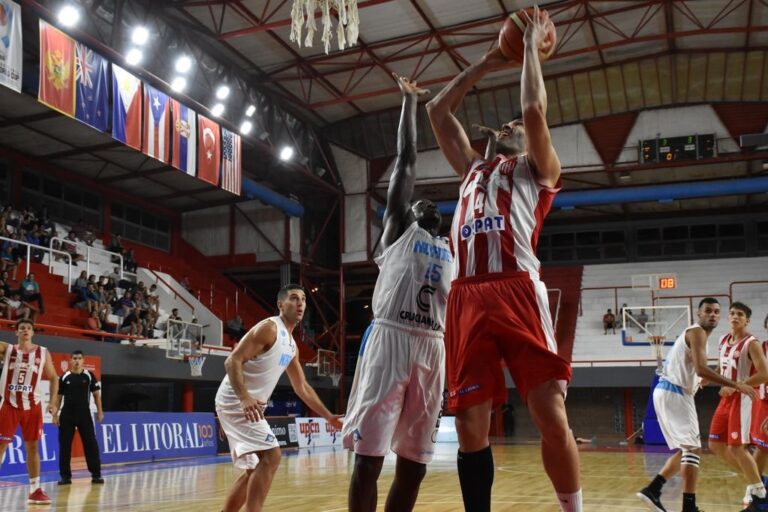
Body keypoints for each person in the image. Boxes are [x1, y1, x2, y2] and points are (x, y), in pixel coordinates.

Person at [426, 7, 581, 511]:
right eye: (507, 123)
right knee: (470, 426)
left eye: (516, 124)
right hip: (466, 296)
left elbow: (534, 112)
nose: (513, 122)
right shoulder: (471, 167)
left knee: (550, 415)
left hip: (516, 287)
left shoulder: (538, 169)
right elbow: (436, 111)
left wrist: (530, 50)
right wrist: (489, 60)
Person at [342, 74, 452, 512]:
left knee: (414, 465)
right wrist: (409, 102)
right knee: (367, 461)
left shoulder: (451, 252)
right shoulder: (398, 232)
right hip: (390, 340)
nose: (422, 203)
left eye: (430, 204)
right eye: (415, 202)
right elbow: (406, 161)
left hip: (432, 347)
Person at [215, 284, 342, 512]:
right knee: (272, 456)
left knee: (255, 469)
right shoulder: (269, 328)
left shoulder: (292, 345)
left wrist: (329, 417)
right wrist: (244, 398)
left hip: (247, 405)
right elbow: (231, 361)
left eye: (303, 299)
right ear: (281, 304)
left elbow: (302, 387)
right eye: (294, 298)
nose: (300, 303)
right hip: (236, 399)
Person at [636, 298, 756, 512]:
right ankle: (688, 506)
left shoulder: (698, 336)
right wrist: (736, 384)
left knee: (686, 450)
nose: (713, 314)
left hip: (668, 391)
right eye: (708, 311)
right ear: (698, 314)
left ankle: (653, 489)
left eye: (717, 312)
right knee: (693, 449)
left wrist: (701, 380)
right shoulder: (697, 332)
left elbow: (697, 371)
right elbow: (701, 369)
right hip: (674, 392)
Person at [707, 302, 768, 510]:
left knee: (737, 447)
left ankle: (759, 494)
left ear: (747, 320)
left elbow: (764, 374)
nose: (734, 316)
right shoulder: (723, 340)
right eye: (732, 313)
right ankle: (758, 481)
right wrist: (706, 378)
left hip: (742, 398)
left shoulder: (752, 343)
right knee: (715, 444)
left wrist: (735, 386)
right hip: (725, 398)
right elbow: (720, 367)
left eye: (740, 314)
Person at [0, 319, 59, 505]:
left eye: (28, 328)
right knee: (1, 445)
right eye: (22, 328)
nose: (25, 330)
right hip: (9, 404)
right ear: (16, 333)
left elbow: (54, 378)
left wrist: (52, 402)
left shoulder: (43, 352)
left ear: (33, 332)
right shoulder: (7, 349)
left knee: (32, 447)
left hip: (33, 406)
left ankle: (35, 490)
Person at [52, 350, 104, 485]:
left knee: (91, 444)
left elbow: (96, 395)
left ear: (83, 360)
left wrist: (100, 412)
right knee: (65, 446)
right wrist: (55, 415)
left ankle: (96, 475)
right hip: (67, 415)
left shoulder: (88, 375)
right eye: (74, 358)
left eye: (79, 358)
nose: (76, 361)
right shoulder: (64, 377)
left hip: (84, 414)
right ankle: (65, 477)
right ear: (70, 360)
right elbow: (58, 397)